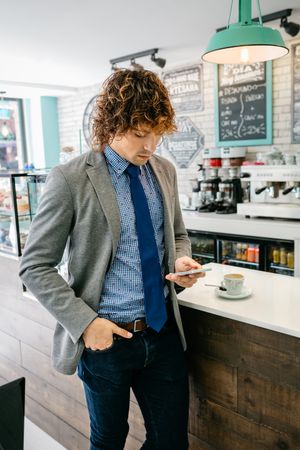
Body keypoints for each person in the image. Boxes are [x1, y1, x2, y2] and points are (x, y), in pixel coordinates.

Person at [19, 69, 205, 450]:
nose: (150, 145)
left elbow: (179, 234)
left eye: (157, 132)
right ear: (113, 125)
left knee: (171, 441)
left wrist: (182, 261)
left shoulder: (164, 172)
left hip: (163, 331)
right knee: (108, 441)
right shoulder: (70, 178)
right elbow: (34, 266)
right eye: (140, 133)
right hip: (107, 340)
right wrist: (87, 324)